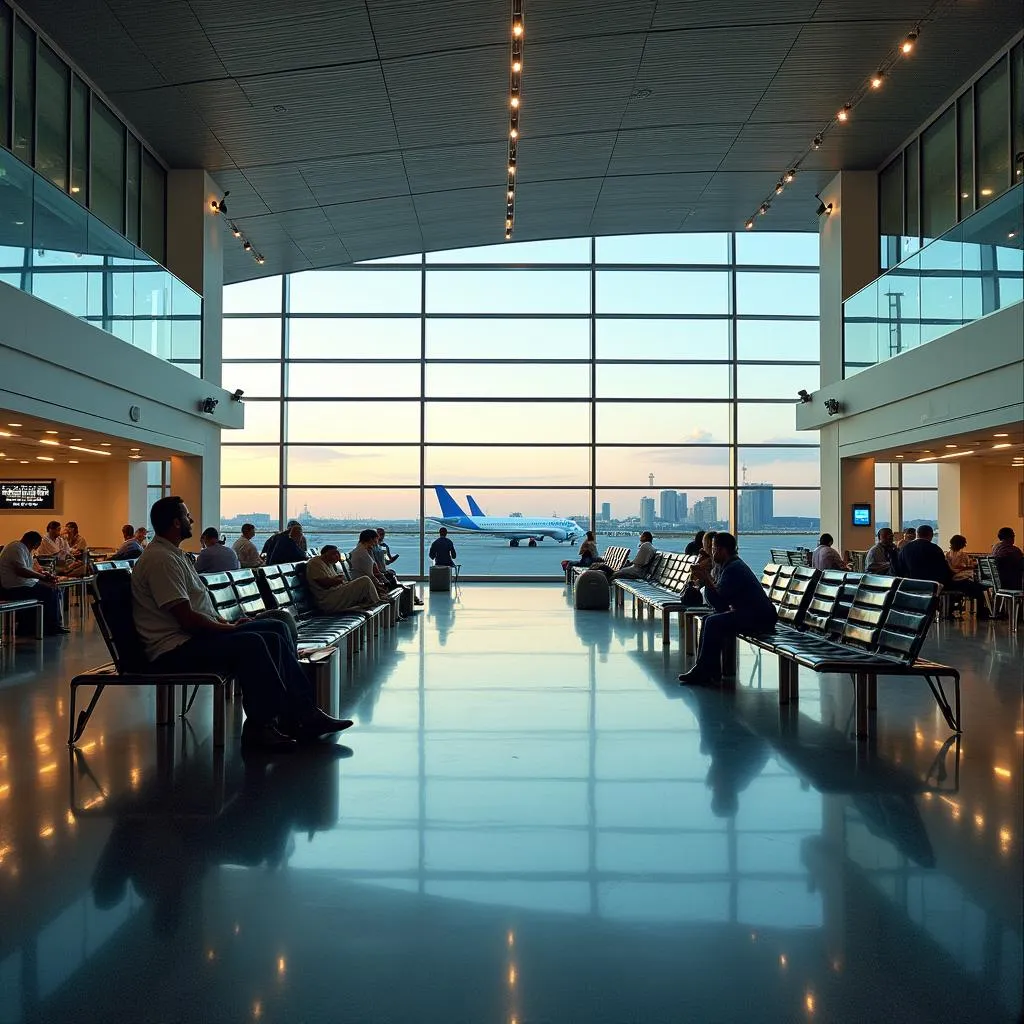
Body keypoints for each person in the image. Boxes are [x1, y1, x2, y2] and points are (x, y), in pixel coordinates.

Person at [131, 496, 352, 751]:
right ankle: (263, 726)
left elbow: (196, 610)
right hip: (175, 648)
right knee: (256, 643)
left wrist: (230, 622)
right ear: (175, 523)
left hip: (193, 638)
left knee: (276, 628)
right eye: (187, 515)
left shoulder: (173, 555)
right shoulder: (161, 559)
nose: (191, 519)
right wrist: (231, 629)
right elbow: (187, 620)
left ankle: (300, 714)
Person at [679, 533, 776, 687]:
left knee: (712, 622)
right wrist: (706, 579)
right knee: (708, 620)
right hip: (751, 614)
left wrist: (706, 578)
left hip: (758, 618)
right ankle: (708, 669)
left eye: (714, 549)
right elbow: (720, 603)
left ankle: (705, 670)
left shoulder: (734, 568)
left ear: (723, 550)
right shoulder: (729, 566)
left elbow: (720, 598)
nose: (712, 552)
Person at [0, 531, 68, 634]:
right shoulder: (16, 548)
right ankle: (51, 626)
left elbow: (31, 568)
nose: (37, 547)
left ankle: (41, 625)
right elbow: (21, 570)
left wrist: (44, 574)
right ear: (34, 543)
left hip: (23, 584)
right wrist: (42, 577)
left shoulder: (25, 549)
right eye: (38, 544)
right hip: (15, 587)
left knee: (53, 587)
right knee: (49, 591)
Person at [305, 545, 381, 613]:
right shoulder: (315, 563)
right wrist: (338, 580)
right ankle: (377, 603)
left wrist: (339, 580)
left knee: (363, 586)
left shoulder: (328, 563)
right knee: (365, 580)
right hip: (328, 600)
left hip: (336, 595)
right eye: (334, 553)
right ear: (326, 554)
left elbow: (333, 580)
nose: (337, 556)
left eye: (338, 554)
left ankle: (374, 602)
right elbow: (325, 584)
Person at [945, 535, 990, 618]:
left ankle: (955, 607)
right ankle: (982, 612)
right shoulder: (962, 555)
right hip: (961, 580)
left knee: (978, 587)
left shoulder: (947, 555)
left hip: (953, 580)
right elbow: (967, 566)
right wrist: (968, 567)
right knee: (980, 589)